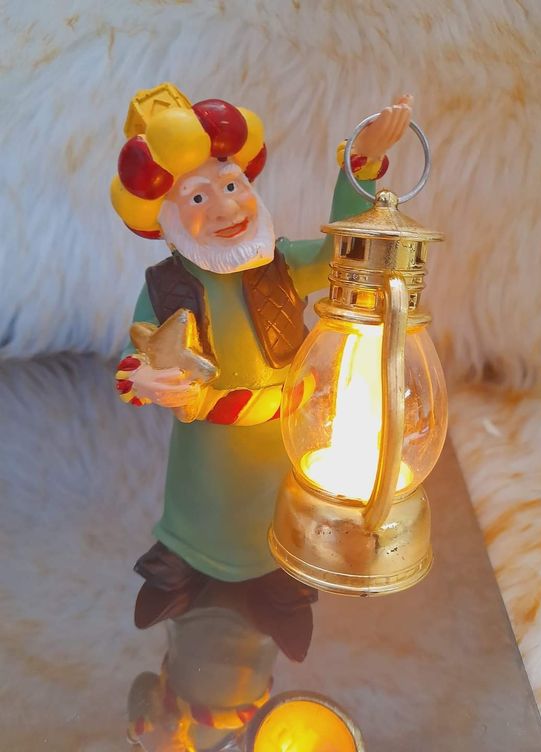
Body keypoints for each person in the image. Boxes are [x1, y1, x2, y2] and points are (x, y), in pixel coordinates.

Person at [111, 83, 412, 627]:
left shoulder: (284, 265)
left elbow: (340, 254)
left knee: (278, 512)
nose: (226, 207)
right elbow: (138, 355)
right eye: (198, 198)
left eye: (231, 185)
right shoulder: (164, 286)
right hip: (207, 445)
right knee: (204, 506)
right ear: (166, 219)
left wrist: (361, 167)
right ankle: (185, 558)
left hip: (281, 435)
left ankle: (277, 572)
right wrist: (147, 378)